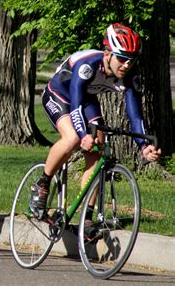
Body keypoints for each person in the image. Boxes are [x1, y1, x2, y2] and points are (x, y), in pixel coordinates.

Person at [30, 23, 161, 221]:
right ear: (108, 53)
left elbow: (135, 116)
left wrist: (143, 146)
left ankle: (87, 217)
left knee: (97, 153)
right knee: (73, 138)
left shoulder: (130, 76)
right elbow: (75, 104)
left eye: (132, 60)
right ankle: (43, 183)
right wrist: (83, 135)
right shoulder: (87, 65)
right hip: (60, 95)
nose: (127, 65)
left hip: (87, 98)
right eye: (122, 58)